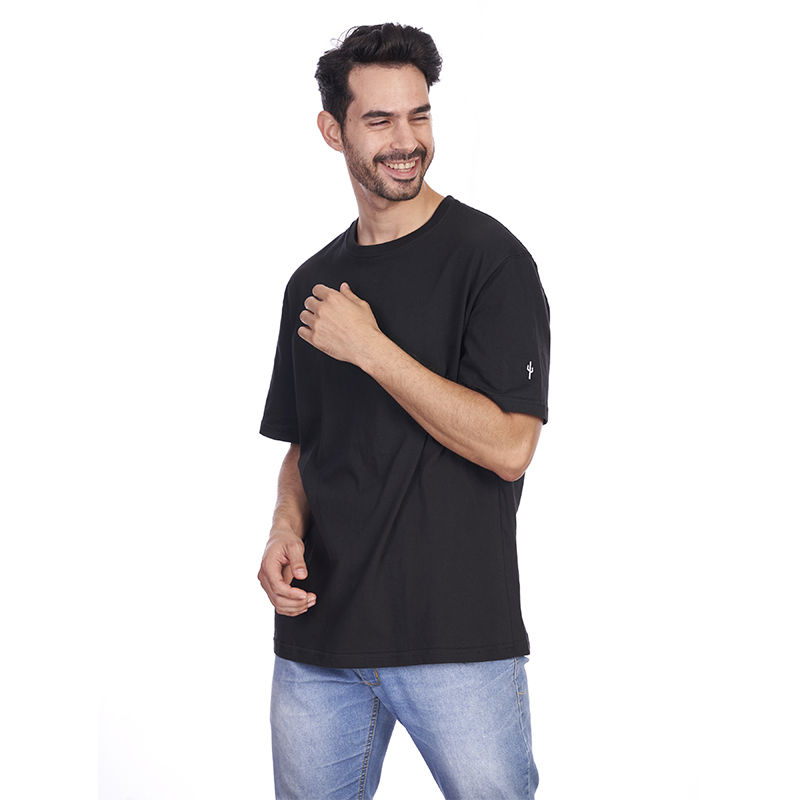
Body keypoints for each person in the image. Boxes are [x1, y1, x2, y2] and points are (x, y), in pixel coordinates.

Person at [257, 22, 550, 800]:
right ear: (334, 131)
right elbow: (306, 445)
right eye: (380, 120)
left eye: (418, 115)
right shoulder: (312, 284)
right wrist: (284, 528)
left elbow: (510, 446)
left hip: (456, 640)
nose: (406, 141)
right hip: (319, 641)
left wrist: (372, 349)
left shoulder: (491, 262)